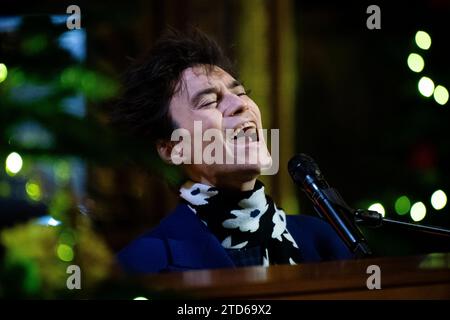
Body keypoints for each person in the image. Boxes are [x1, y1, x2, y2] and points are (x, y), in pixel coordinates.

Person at [112, 29, 353, 274]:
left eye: (240, 93)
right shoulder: (141, 265)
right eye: (208, 102)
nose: (240, 104)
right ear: (172, 148)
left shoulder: (324, 242)